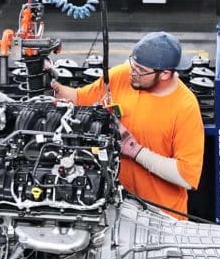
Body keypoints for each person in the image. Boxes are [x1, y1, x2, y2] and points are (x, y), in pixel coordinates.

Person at [51, 32, 205, 219]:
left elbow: (186, 176)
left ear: (165, 73)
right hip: (115, 207)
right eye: (133, 64)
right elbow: (78, 98)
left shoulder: (185, 107)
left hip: (161, 216)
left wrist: (135, 150)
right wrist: (52, 84)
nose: (132, 71)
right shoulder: (122, 76)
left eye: (140, 69)